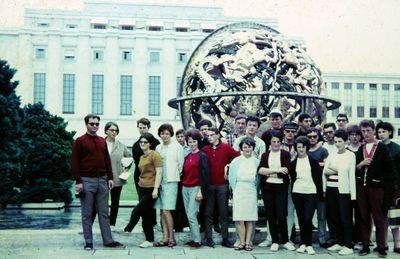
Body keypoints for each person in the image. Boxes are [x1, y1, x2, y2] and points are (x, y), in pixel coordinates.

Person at [71, 114, 124, 250]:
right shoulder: (79, 141)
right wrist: (78, 181)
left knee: (104, 213)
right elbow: (75, 163)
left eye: (97, 124)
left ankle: (108, 240)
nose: (95, 126)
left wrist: (111, 178)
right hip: (86, 181)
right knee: (87, 213)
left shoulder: (102, 141)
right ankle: (88, 242)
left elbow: (107, 161)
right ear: (86, 124)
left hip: (102, 181)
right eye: (92, 124)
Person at [356, 120, 395, 257]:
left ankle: (381, 247)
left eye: (368, 131)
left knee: (379, 218)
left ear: (373, 131)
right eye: (363, 131)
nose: (365, 134)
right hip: (362, 187)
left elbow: (390, 170)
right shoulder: (361, 148)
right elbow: (355, 168)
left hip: (377, 188)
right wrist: (361, 164)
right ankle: (365, 245)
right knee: (364, 217)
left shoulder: (382, 147)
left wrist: (386, 188)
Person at [201, 127, 240, 248]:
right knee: (208, 212)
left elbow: (238, 158)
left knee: (223, 212)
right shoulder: (205, 149)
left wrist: (229, 166)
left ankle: (225, 238)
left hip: (223, 184)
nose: (209, 137)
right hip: (208, 185)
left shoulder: (226, 148)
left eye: (212, 135)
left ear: (218, 135)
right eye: (208, 136)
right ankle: (208, 238)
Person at [123, 133, 163, 248]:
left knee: (136, 211)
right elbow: (141, 172)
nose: (143, 144)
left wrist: (156, 189)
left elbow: (159, 172)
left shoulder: (155, 155)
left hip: (152, 189)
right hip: (142, 187)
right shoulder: (141, 157)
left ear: (150, 143)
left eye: (145, 142)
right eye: (141, 142)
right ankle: (149, 240)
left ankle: (128, 228)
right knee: (146, 215)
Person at [258, 130, 295, 252]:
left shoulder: (285, 154)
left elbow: (285, 169)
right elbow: (260, 170)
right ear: (270, 142)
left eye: (278, 141)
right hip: (267, 187)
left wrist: (269, 171)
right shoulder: (265, 155)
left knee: (281, 214)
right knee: (270, 214)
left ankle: (285, 240)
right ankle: (274, 241)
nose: (276, 144)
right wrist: (276, 170)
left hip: (281, 187)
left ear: (281, 142)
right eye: (274, 141)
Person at [323, 129, 356, 255]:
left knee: (345, 218)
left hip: (344, 190)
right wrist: (339, 170)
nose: (337, 144)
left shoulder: (350, 155)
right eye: (336, 141)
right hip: (331, 188)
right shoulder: (332, 155)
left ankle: (348, 245)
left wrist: (353, 195)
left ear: (346, 141)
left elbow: (350, 174)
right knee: (334, 216)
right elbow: (326, 171)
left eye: (340, 141)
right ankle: (340, 242)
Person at [290, 136, 323, 255]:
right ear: (296, 148)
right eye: (299, 147)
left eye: (303, 147)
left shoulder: (313, 162)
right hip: (297, 192)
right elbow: (292, 178)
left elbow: (318, 179)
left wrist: (320, 194)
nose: (301, 149)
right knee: (301, 218)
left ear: (307, 147)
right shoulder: (293, 163)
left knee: (308, 218)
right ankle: (303, 243)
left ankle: (309, 244)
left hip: (311, 192)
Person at [154, 124, 184, 247]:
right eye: (162, 133)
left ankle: (172, 238)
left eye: (167, 133)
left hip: (171, 182)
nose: (164, 135)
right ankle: (165, 237)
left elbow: (181, 165)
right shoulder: (158, 147)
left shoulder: (177, 147)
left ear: (170, 134)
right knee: (161, 210)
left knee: (167, 210)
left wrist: (174, 174)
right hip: (159, 182)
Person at [229, 137, 260, 251]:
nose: (247, 149)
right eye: (245, 147)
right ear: (241, 148)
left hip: (251, 190)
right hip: (239, 190)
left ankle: (248, 242)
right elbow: (232, 178)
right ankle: (241, 242)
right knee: (239, 218)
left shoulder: (257, 162)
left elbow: (258, 180)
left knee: (250, 217)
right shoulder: (236, 161)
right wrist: (234, 190)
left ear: (253, 148)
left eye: (249, 147)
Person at [182, 129, 210, 248]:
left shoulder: (202, 156)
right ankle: (193, 238)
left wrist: (200, 190)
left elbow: (205, 176)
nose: (192, 144)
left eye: (194, 142)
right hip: (185, 188)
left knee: (192, 215)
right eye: (190, 142)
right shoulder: (188, 155)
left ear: (198, 142)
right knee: (189, 215)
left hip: (195, 188)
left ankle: (198, 240)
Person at [376, 121, 400, 254]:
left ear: (389, 132)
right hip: (380, 187)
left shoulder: (397, 148)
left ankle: (397, 244)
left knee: (395, 217)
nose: (381, 134)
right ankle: (383, 243)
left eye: (383, 131)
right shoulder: (376, 148)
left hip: (394, 188)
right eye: (379, 132)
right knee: (381, 217)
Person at [131, 118, 159, 229]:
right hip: (139, 175)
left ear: (148, 128)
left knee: (150, 202)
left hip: (152, 176)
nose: (142, 130)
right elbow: (136, 161)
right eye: (140, 128)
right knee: (141, 201)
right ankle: (146, 224)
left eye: (144, 128)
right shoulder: (135, 145)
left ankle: (152, 223)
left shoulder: (156, 143)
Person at [306, 127, 332, 248]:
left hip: (320, 187)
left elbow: (327, 165)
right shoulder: (304, 150)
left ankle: (322, 238)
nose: (312, 139)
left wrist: (314, 164)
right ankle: (307, 240)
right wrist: (318, 164)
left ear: (318, 137)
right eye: (309, 136)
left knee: (321, 216)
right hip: (307, 187)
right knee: (307, 215)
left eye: (314, 136)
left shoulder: (323, 150)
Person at [104, 122, 132, 229]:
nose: (114, 132)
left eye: (116, 130)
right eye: (111, 130)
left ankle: (112, 224)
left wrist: (125, 171)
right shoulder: (101, 143)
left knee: (115, 202)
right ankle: (104, 222)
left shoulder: (121, 145)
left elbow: (129, 158)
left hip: (117, 178)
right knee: (102, 202)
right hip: (103, 177)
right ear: (106, 130)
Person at [281, 122, 299, 243]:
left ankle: (288, 237)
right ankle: (271, 237)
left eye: (293, 131)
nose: (290, 133)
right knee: (276, 210)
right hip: (279, 182)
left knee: (290, 210)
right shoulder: (277, 144)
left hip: (294, 182)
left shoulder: (299, 146)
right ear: (284, 132)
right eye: (288, 131)